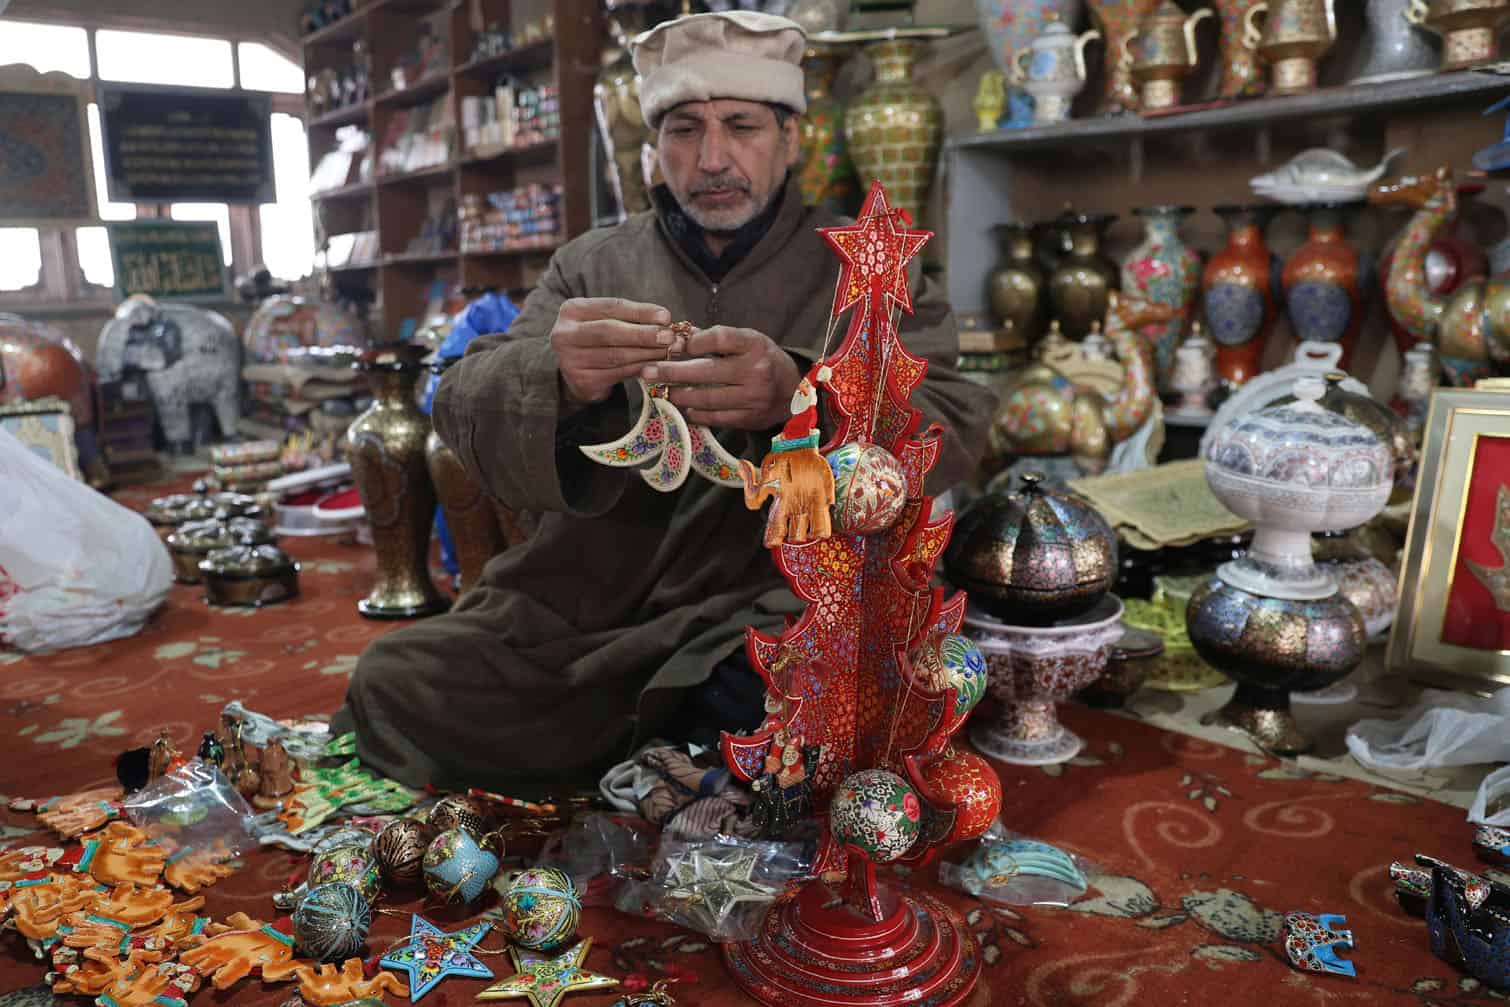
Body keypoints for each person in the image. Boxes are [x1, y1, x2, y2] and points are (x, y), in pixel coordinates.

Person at [332, 11, 996, 795]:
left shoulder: (867, 266)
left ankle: (673, 751)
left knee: (792, 681)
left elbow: (952, 414)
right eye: (684, 130)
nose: (713, 159)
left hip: (771, 595)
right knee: (393, 678)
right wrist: (557, 377)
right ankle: (675, 759)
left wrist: (798, 393)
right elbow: (462, 402)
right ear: (655, 146)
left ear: (790, 138)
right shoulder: (592, 265)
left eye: (742, 126)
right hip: (589, 604)